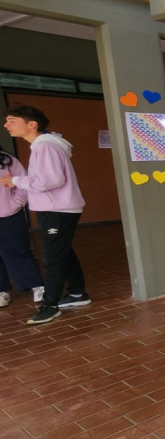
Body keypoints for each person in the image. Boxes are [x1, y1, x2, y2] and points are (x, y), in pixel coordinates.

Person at [1, 106, 89, 325]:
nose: (6, 125)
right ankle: (78, 293)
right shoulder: (45, 145)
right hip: (56, 208)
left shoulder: (44, 146)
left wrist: (16, 181)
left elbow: (50, 181)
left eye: (12, 120)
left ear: (32, 124)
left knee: (53, 257)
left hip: (56, 209)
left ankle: (50, 305)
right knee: (63, 250)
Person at [0, 146, 44, 309]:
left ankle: (37, 287)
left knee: (18, 250)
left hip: (8, 214)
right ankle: (2, 291)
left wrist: (15, 204)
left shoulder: (6, 160)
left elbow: (23, 183)